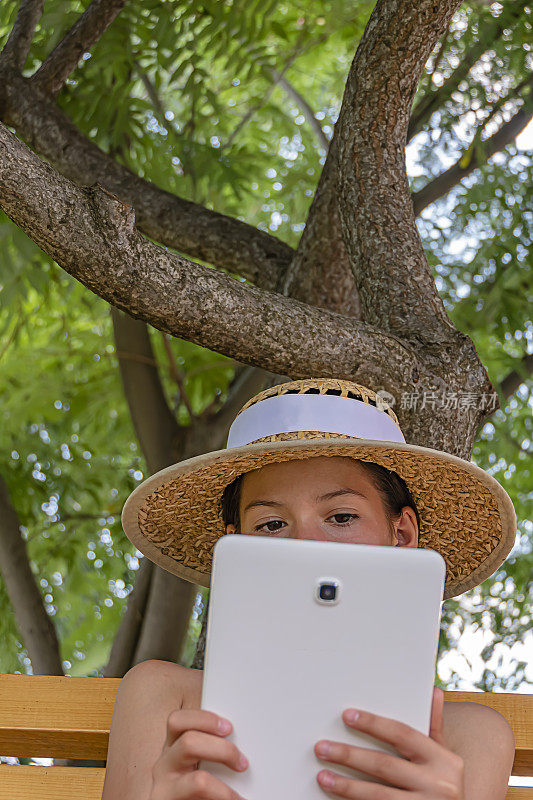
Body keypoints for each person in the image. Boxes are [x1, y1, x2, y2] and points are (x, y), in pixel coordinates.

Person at [102, 378, 517, 800]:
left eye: (340, 517)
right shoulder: (163, 698)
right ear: (234, 545)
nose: (307, 545)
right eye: (272, 525)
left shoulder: (470, 741)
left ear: (404, 534)